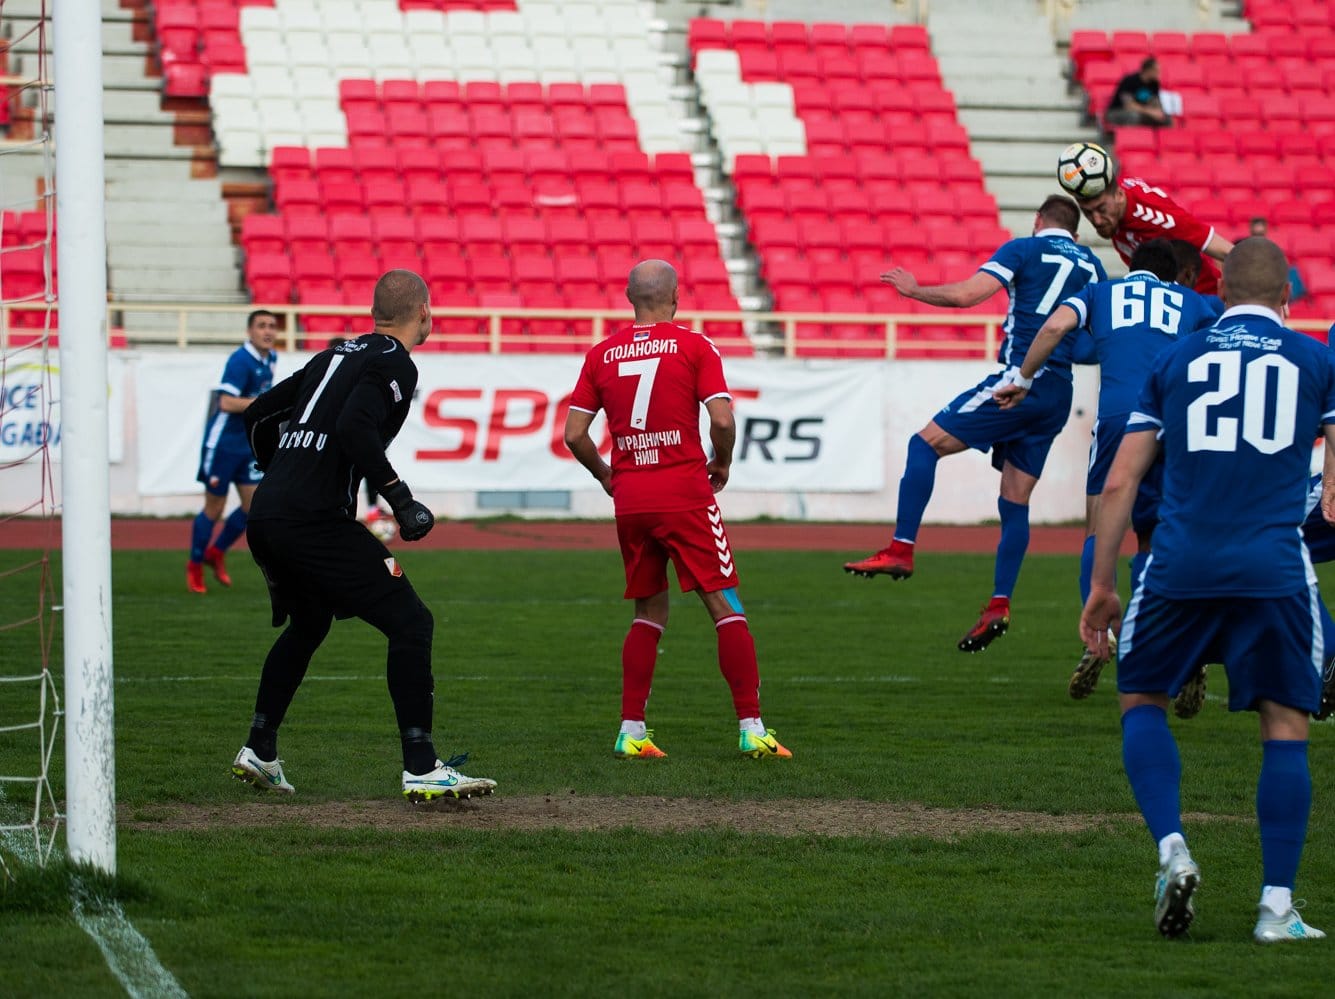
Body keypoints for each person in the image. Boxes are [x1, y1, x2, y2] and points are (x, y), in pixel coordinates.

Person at [1081, 237, 1333, 943]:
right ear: (1287, 297)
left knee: (1140, 700)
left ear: (1218, 296)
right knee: (1284, 729)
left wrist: (1102, 585)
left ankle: (1171, 848)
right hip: (1274, 566)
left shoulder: (1175, 359)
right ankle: (1275, 908)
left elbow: (1121, 481)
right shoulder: (1316, 360)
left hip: (1178, 561)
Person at [230, 270, 496, 802]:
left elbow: (259, 416)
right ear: (423, 311)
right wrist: (401, 499)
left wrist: (281, 474)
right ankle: (421, 765)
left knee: (309, 624)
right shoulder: (395, 362)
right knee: (411, 620)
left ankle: (260, 748)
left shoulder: (332, 355)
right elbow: (354, 429)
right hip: (312, 520)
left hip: (268, 514)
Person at [844, 195, 1107, 652]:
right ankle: (999, 603)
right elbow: (1091, 341)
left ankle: (901, 549)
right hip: (1059, 392)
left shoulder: (1023, 249)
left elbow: (968, 295)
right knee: (1015, 499)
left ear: (1038, 220)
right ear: (1077, 233)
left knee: (924, 445)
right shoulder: (1092, 266)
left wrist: (914, 290)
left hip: (1021, 380)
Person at [562, 259, 791, 760]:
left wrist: (607, 475)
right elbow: (723, 421)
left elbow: (574, 435)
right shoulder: (694, 345)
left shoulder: (601, 354)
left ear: (629, 297)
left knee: (648, 611)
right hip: (684, 491)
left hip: (632, 499)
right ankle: (752, 727)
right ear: (676, 297)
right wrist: (722, 462)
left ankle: (631, 730)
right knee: (725, 605)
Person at [994, 239, 1216, 697]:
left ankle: (1100, 635)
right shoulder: (1191, 301)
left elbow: (1056, 326)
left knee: (1099, 531)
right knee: (1158, 535)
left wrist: (1023, 378)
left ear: (1131, 266)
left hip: (1118, 420)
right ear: (1173, 275)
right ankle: (1173, 639)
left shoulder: (1101, 294)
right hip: (1173, 423)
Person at [186, 310, 279, 593]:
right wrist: (264, 403)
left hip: (246, 445)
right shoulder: (240, 361)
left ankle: (217, 552)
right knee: (214, 508)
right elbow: (225, 402)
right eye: (261, 326)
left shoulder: (270, 358)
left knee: (253, 508)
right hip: (223, 444)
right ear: (249, 331)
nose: (268, 331)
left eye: (272, 326)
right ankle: (195, 565)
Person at [1074, 176, 1232, 295]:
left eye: (1102, 209)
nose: (1096, 220)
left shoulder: (1160, 219)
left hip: (1203, 301)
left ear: (1119, 196)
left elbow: (1229, 252)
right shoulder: (1116, 213)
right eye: (1087, 212)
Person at [1105, 56, 1173, 128]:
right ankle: (1131, 138)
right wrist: (1150, 112)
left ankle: (1159, 138)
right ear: (1148, 70)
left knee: (1166, 119)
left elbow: (1155, 101)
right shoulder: (1129, 80)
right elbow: (1129, 105)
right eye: (1157, 71)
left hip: (1141, 112)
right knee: (1134, 116)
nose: (1159, 74)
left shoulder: (1154, 83)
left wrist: (1158, 112)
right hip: (1117, 112)